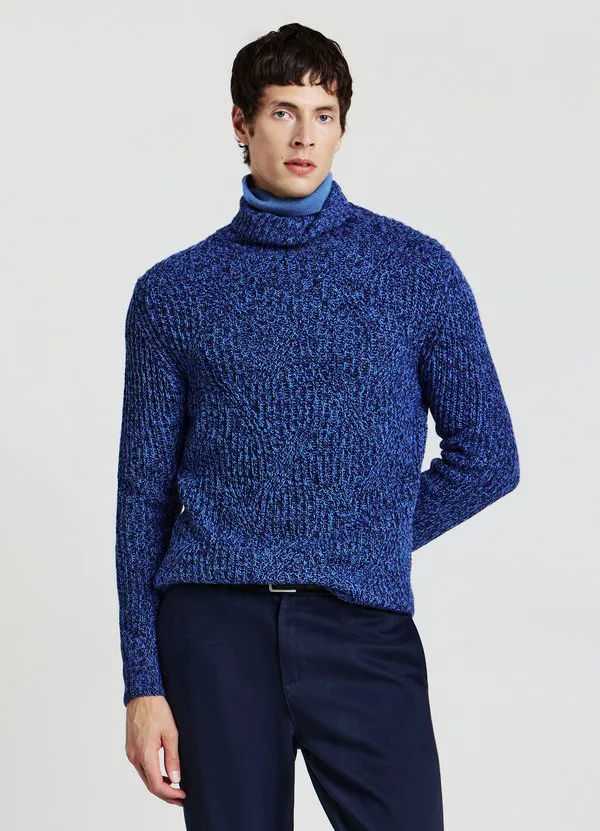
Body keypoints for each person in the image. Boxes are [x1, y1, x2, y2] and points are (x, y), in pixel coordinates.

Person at [114, 22, 520, 830]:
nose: (304, 136)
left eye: (323, 114)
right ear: (241, 123)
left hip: (360, 626)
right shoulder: (174, 293)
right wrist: (142, 682)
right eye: (282, 112)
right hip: (214, 632)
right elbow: (142, 499)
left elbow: (489, 456)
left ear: (341, 126)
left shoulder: (415, 270)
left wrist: (363, 535)